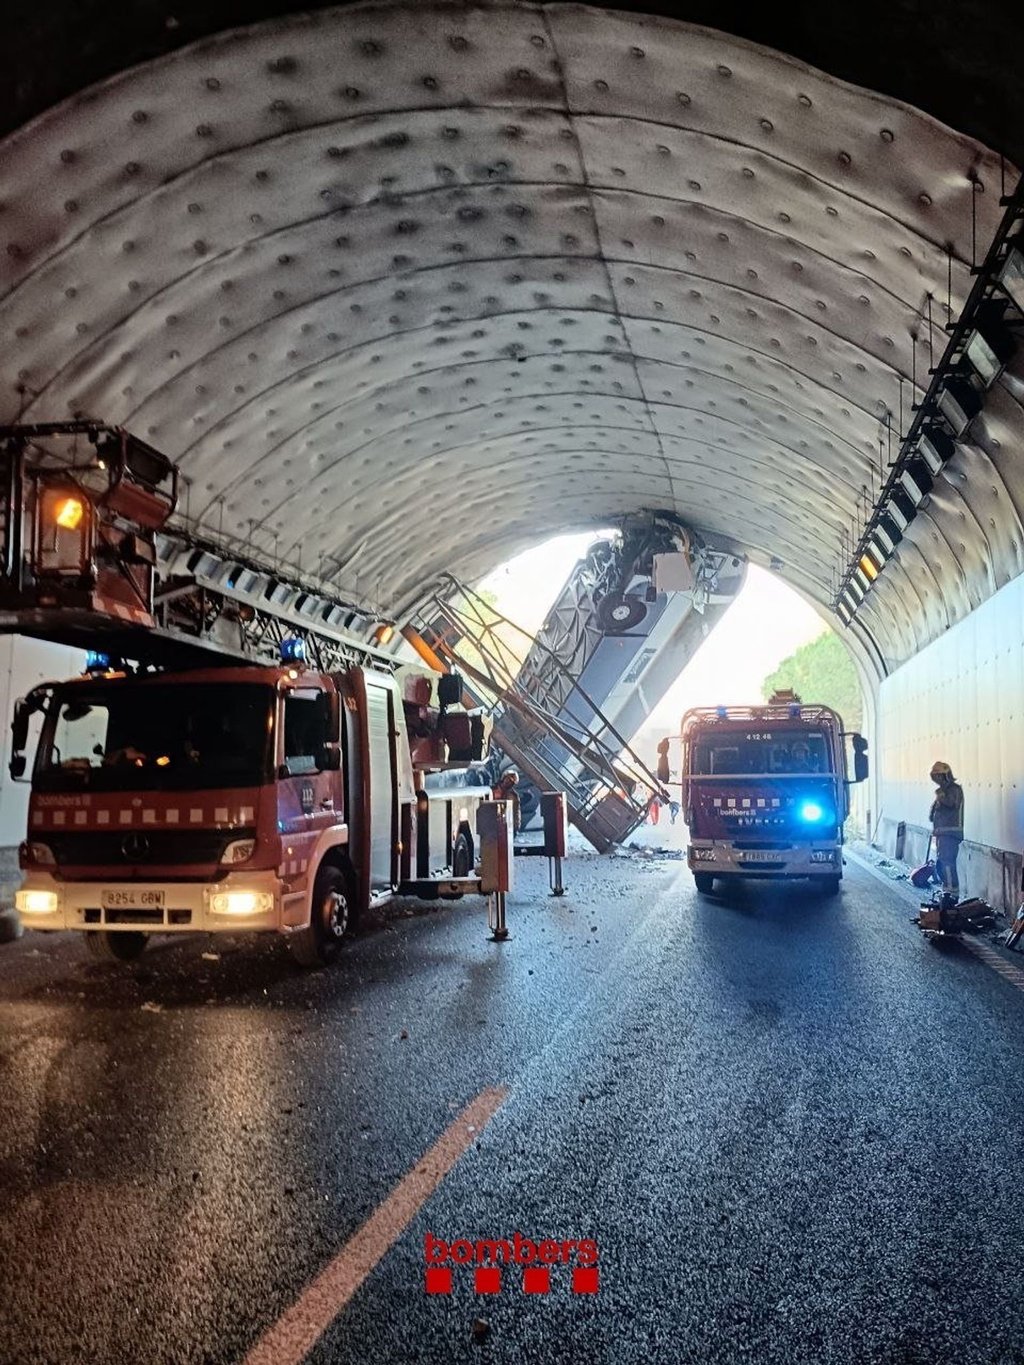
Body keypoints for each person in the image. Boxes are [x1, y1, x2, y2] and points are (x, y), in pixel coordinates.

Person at [929, 761, 964, 901]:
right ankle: (947, 890)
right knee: (942, 863)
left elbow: (951, 804)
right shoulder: (944, 791)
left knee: (948, 863)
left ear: (945, 776)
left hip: (950, 833)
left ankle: (951, 894)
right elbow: (933, 813)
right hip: (943, 833)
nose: (936, 780)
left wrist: (940, 795)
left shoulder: (954, 789)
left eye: (938, 777)